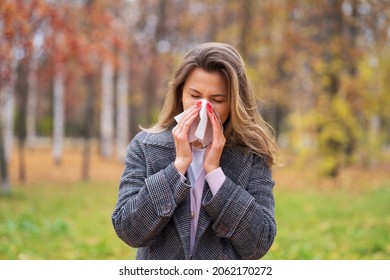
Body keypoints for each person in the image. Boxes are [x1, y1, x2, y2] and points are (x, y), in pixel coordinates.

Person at [112, 42, 278, 260]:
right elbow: (129, 230)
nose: (203, 108)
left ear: (234, 103)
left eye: (217, 100)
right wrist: (177, 167)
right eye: (195, 95)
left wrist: (215, 174)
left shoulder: (252, 156)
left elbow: (259, 243)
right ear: (180, 93)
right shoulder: (145, 146)